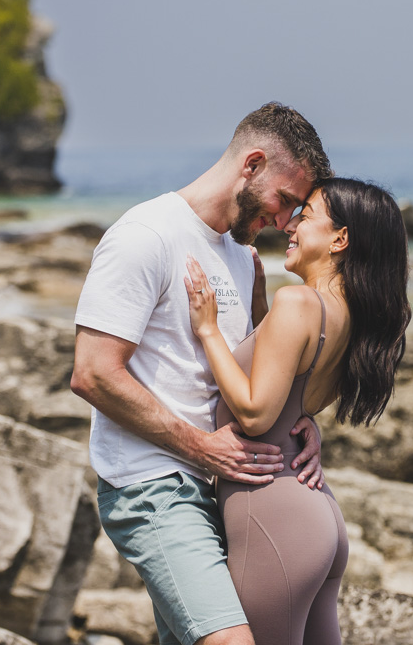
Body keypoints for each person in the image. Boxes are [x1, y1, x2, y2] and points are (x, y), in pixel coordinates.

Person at [70, 102, 333, 645]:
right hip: (152, 487)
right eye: (284, 201)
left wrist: (302, 422)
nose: (284, 222)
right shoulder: (146, 235)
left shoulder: (242, 258)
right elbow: (93, 374)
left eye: (295, 211)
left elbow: (260, 381)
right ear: (252, 164)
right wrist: (201, 447)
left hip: (219, 489)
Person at [184, 177, 412, 645]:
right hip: (319, 517)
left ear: (340, 239)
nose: (288, 224)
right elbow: (296, 390)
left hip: (273, 516)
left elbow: (254, 414)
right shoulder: (351, 316)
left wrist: (208, 329)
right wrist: (260, 307)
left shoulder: (299, 304)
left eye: (305, 216)